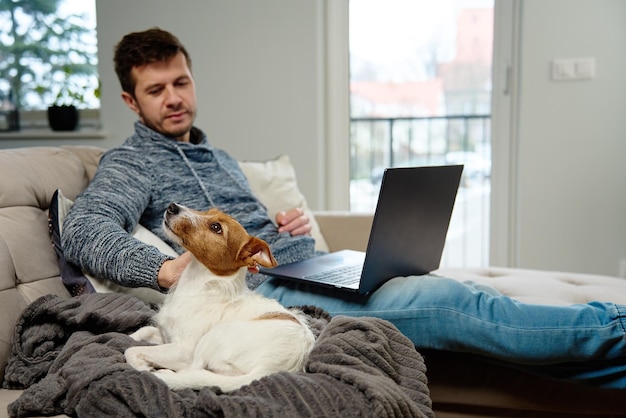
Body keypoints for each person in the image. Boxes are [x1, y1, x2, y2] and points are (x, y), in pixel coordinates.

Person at [63, 28, 626, 389]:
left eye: (181, 81)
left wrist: (289, 229)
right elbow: (84, 230)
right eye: (156, 90)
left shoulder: (217, 155)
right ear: (130, 100)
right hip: (263, 293)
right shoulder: (131, 162)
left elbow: (243, 229)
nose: (175, 97)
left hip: (305, 267)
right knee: (452, 303)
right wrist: (162, 269)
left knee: (473, 301)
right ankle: (617, 325)